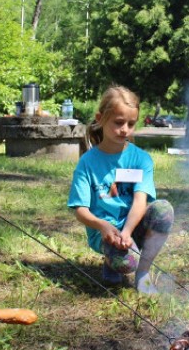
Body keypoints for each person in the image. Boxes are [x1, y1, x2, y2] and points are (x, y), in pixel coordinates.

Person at [68, 86, 174, 294]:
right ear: (101, 119)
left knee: (164, 209)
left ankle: (143, 273)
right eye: (118, 122)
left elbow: (140, 201)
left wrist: (127, 232)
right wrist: (103, 226)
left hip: (133, 227)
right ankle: (111, 261)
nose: (125, 129)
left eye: (131, 124)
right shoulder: (87, 163)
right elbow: (80, 209)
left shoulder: (141, 159)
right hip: (105, 232)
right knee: (126, 263)